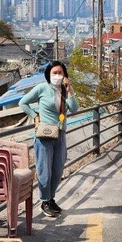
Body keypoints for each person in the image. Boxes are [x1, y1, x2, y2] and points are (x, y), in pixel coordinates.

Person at [19, 61, 78, 218]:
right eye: (54, 73)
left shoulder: (66, 91)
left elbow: (74, 108)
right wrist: (35, 116)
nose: (58, 76)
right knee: (44, 170)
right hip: (45, 134)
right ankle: (44, 201)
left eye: (60, 73)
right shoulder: (42, 88)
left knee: (58, 169)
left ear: (65, 75)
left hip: (60, 134)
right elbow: (22, 102)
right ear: (49, 75)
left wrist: (69, 88)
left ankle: (51, 199)